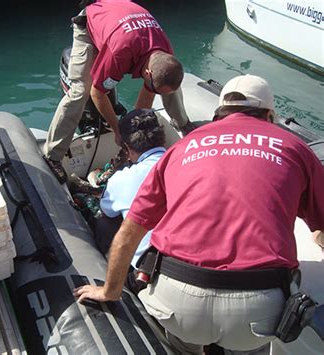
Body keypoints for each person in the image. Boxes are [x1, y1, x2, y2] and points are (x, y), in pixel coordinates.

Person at [74, 74, 324, 354]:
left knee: (184, 342)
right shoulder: (296, 150)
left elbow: (129, 233)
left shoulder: (181, 148)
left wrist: (110, 291)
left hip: (180, 305)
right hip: (256, 313)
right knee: (248, 343)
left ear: (218, 113)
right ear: (269, 115)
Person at [43, 0, 194, 183]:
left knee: (168, 86)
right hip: (92, 24)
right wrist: (118, 130)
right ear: (147, 72)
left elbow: (149, 91)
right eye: (153, 87)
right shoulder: (120, 53)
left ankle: (183, 123)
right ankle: (53, 155)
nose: (153, 91)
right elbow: (97, 93)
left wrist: (134, 130)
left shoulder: (164, 54)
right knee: (80, 91)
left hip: (121, 24)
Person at [94, 108, 166, 272]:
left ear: (127, 147)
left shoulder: (121, 179)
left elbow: (108, 212)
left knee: (104, 222)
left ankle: (107, 267)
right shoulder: (185, 164)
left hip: (150, 269)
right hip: (192, 257)